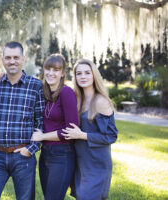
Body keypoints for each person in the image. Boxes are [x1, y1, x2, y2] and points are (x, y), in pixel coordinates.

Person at [0, 41, 45, 200]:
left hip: (23, 156)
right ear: (2, 60)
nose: (12, 61)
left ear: (23, 59)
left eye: (16, 57)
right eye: (8, 57)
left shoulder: (35, 85)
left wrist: (30, 149)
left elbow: (41, 122)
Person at [62, 59, 118, 200]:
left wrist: (82, 135)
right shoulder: (77, 100)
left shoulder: (101, 102)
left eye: (87, 72)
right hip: (81, 161)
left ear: (94, 75)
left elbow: (111, 136)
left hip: (97, 163)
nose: (83, 76)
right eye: (79, 73)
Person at [31, 54, 78, 200]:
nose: (51, 73)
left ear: (63, 73)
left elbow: (71, 131)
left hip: (62, 155)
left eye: (56, 70)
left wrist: (42, 136)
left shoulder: (66, 92)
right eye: (48, 69)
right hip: (45, 154)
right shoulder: (44, 91)